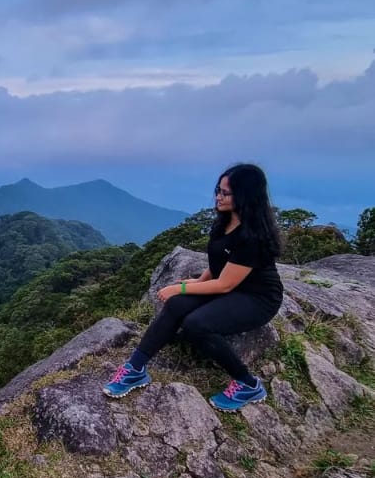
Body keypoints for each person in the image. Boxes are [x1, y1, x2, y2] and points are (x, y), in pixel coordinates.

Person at [103, 163, 284, 412]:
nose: (218, 197)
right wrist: (197, 282)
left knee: (196, 324)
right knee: (177, 306)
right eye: (217, 190)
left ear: (246, 196)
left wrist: (181, 288)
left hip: (257, 298)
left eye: (226, 193)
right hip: (230, 288)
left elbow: (225, 284)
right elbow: (219, 263)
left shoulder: (252, 237)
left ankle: (248, 384)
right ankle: (135, 368)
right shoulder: (223, 223)